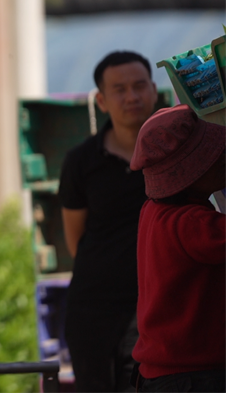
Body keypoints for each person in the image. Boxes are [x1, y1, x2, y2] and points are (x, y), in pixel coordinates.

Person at [58, 51, 158, 392]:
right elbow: (76, 240)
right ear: (101, 100)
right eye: (119, 89)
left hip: (159, 308)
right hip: (94, 312)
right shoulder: (80, 162)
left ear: (154, 91)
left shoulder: (176, 154)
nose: (131, 96)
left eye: (139, 86)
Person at [128, 104, 226, 392]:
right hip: (193, 379)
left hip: (160, 375)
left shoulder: (152, 210)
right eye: (216, 157)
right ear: (190, 175)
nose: (224, 159)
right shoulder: (193, 225)